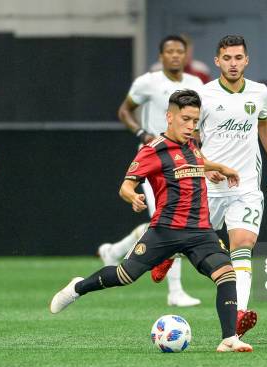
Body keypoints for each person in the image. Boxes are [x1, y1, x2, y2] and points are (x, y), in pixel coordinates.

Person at [50, 90, 253, 352]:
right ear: (170, 117)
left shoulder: (191, 145)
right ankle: (78, 287)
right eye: (186, 120)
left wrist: (218, 168)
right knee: (125, 275)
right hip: (165, 230)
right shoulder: (152, 151)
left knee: (227, 274)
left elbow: (197, 163)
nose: (191, 126)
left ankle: (229, 339)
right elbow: (125, 186)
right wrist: (132, 196)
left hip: (201, 230)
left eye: (195, 120)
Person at [154, 35, 267, 338]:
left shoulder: (260, 93)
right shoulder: (203, 95)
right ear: (217, 61)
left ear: (247, 60)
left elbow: (264, 125)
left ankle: (238, 313)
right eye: (227, 58)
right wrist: (206, 166)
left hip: (246, 186)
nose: (233, 64)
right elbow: (187, 137)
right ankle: (167, 255)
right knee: (185, 240)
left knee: (242, 245)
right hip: (209, 185)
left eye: (238, 58)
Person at [98, 35, 204, 307]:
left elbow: (198, 120)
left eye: (180, 51)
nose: (175, 56)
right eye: (169, 51)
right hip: (156, 161)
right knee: (171, 220)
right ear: (161, 55)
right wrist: (143, 133)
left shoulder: (195, 84)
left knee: (169, 218)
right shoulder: (148, 82)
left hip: (185, 161)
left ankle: (115, 250)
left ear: (186, 54)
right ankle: (175, 291)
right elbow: (124, 110)